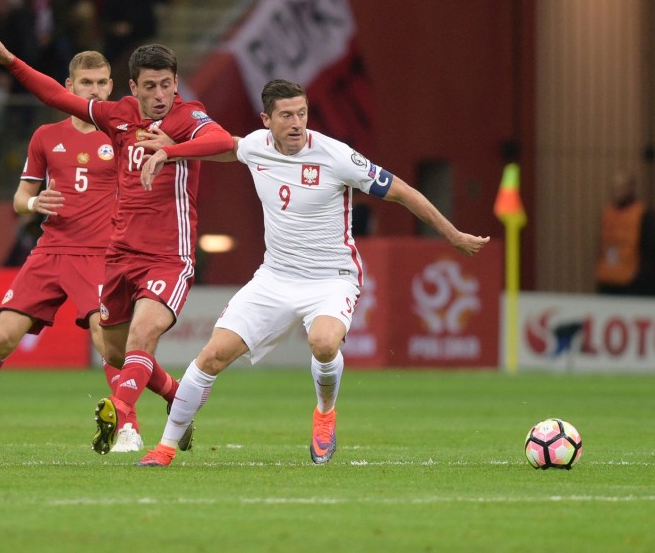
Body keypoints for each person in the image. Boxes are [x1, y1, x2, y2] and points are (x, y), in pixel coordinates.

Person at [136, 79, 490, 467]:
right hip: (274, 278)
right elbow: (227, 148)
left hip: (331, 279)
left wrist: (452, 235)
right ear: (266, 119)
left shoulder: (336, 156)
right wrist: (170, 153)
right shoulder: (256, 146)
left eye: (302, 113)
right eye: (286, 115)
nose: (296, 123)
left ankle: (324, 414)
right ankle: (165, 448)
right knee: (212, 356)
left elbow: (403, 191)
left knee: (323, 343)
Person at [0, 33, 234, 454]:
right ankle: (177, 397)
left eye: (167, 84)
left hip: (169, 255)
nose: (160, 94)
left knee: (142, 336)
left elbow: (226, 143)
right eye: (149, 86)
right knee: (115, 353)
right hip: (120, 255)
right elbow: (58, 97)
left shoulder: (189, 117)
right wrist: (9, 60)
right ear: (132, 88)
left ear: (176, 83)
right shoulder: (118, 115)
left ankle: (117, 410)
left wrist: (173, 151)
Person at [0, 50, 135, 453]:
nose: (94, 89)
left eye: (102, 82)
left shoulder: (121, 135)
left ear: (111, 87)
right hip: (51, 251)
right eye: (86, 83)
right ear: (69, 87)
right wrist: (36, 204)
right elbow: (20, 198)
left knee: (106, 343)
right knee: (2, 338)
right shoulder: (45, 137)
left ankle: (129, 427)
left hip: (100, 255)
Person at [596, 169, 655, 296]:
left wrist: (642, 275)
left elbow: (650, 247)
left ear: (631, 189)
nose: (617, 192)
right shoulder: (608, 213)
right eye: (615, 187)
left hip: (633, 281)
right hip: (608, 278)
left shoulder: (642, 214)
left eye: (621, 187)